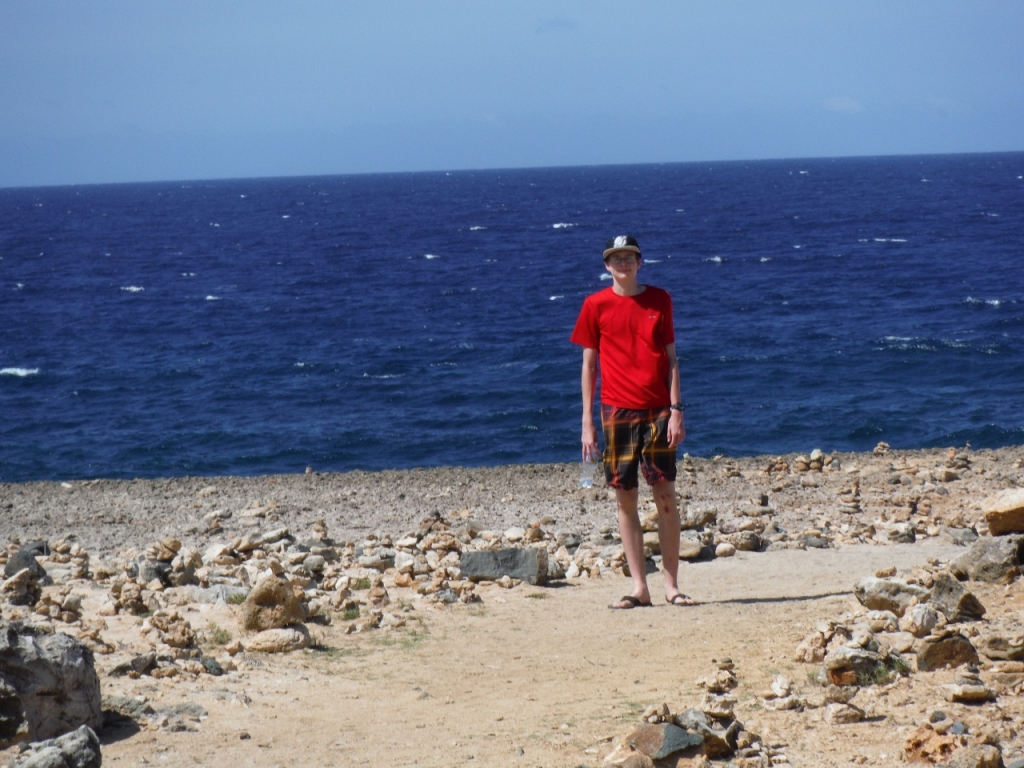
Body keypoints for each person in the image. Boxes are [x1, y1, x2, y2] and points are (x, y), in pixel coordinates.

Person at [570, 235, 694, 609]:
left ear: (640, 263)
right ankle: (640, 587)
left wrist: (677, 410)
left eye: (629, 257)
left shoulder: (660, 300)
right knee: (626, 500)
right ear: (608, 266)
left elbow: (672, 359)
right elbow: (589, 365)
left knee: (666, 497)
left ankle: (671, 586)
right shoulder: (595, 305)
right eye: (616, 258)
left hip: (659, 410)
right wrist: (587, 422)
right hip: (616, 411)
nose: (623, 263)